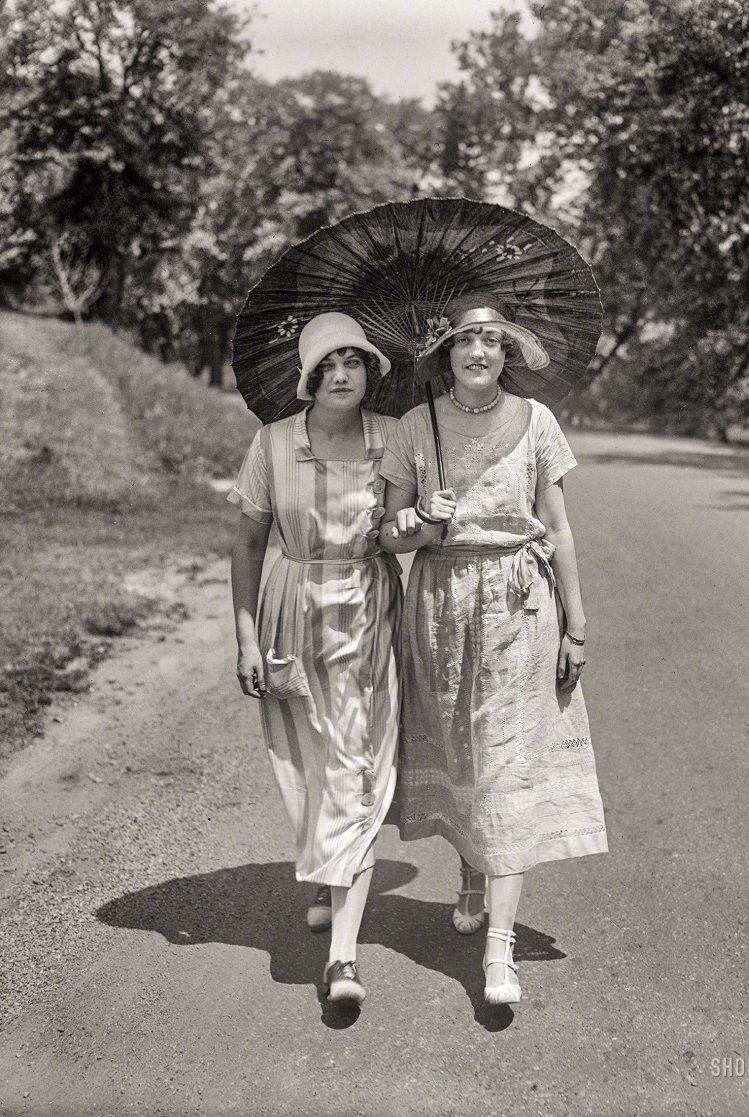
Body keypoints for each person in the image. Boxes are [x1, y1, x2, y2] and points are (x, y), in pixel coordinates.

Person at [379, 292, 607, 1006]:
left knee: (506, 765)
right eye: (465, 341)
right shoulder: (416, 426)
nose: (479, 352)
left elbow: (558, 527)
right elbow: (385, 534)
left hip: (521, 604)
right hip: (442, 603)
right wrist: (420, 517)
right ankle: (472, 873)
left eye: (493, 341)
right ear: (445, 354)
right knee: (461, 752)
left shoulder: (538, 421)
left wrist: (576, 622)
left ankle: (498, 949)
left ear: (508, 352)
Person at [229, 312, 401, 1007]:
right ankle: (334, 883)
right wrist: (244, 638)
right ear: (307, 376)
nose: (341, 375)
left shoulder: (393, 437)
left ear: (370, 371)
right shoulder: (273, 443)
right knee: (308, 763)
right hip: (291, 612)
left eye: (354, 362)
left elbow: (401, 530)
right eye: (328, 364)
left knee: (354, 770)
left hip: (368, 612)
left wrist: (418, 520)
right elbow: (245, 543)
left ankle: (342, 958)